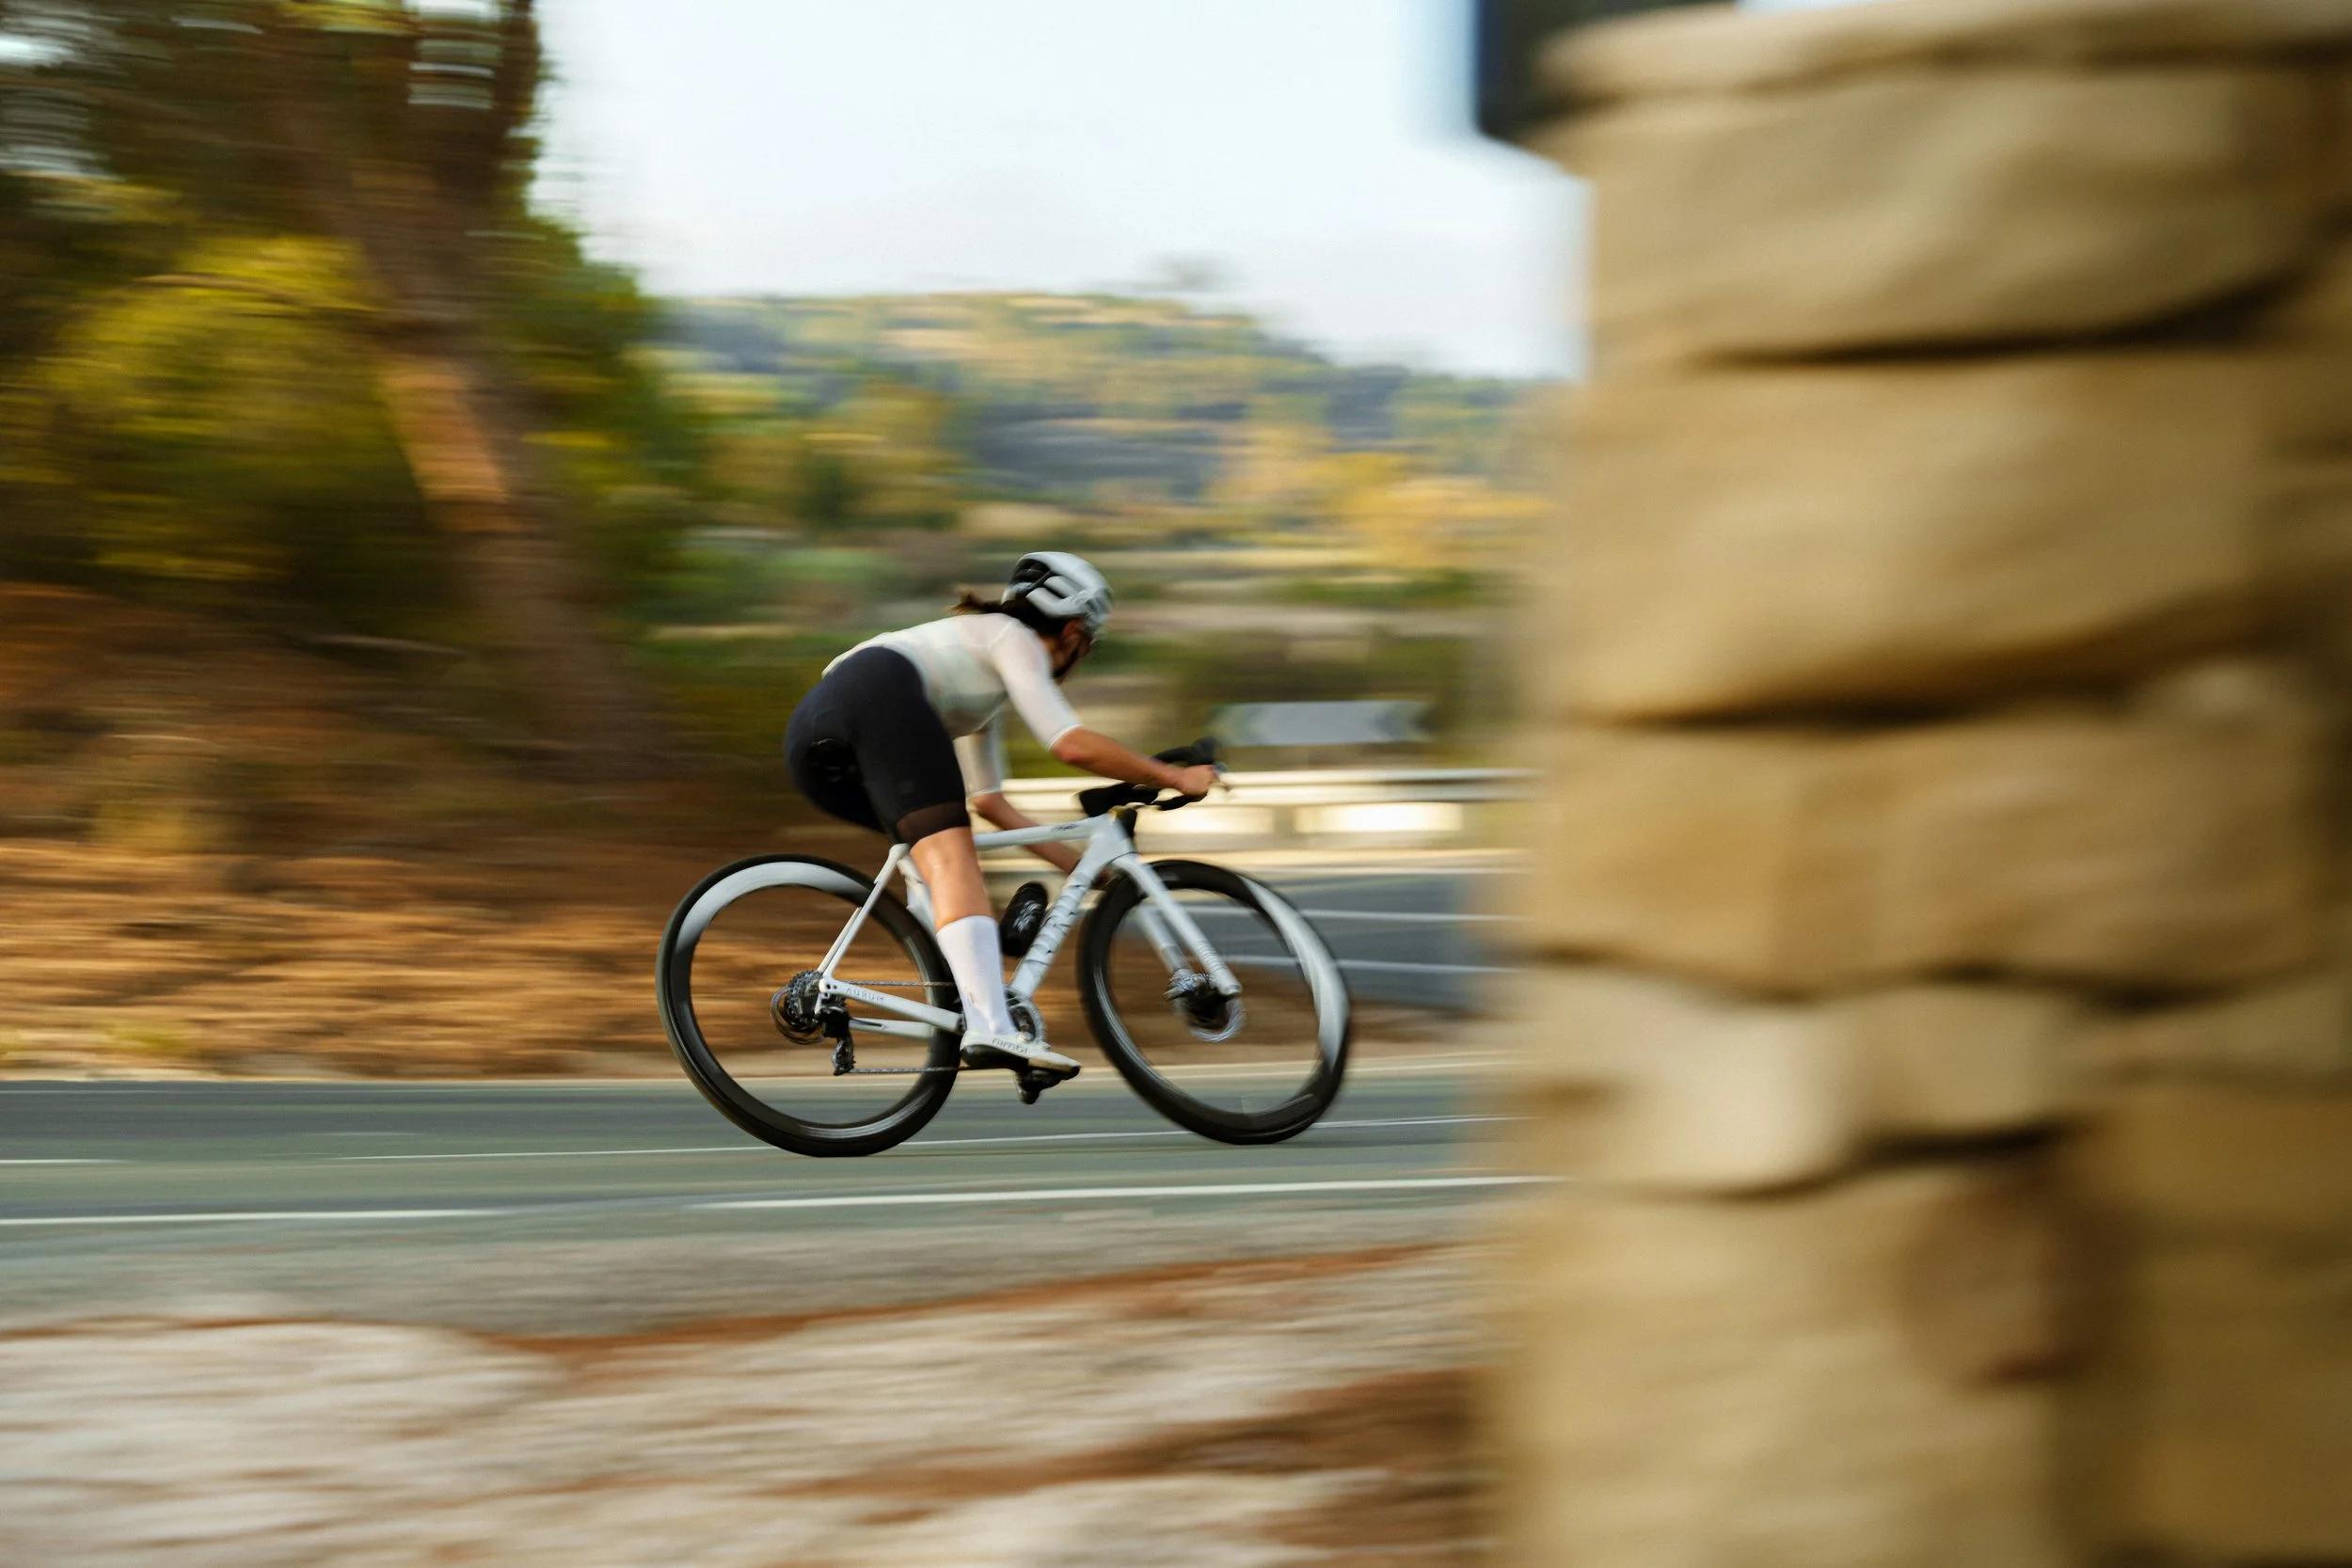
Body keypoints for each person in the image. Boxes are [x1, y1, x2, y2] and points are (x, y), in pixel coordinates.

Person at [784, 551, 1217, 1076]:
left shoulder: (974, 670)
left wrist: (1084, 871)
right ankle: (993, 1026)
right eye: (1089, 646)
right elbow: (1071, 745)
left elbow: (990, 802)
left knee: (937, 866)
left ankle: (960, 1005)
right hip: (873, 697)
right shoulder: (1011, 640)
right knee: (952, 855)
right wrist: (1174, 776)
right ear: (1076, 631)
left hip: (816, 735)